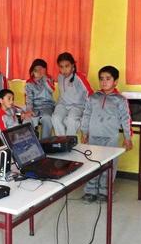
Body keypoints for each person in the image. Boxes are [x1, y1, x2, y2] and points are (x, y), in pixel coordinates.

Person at [80, 66, 133, 203]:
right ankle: (90, 191)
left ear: (115, 82)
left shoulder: (120, 99)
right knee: (92, 164)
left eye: (108, 79)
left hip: (110, 139)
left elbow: (126, 119)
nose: (104, 82)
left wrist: (128, 138)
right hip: (93, 137)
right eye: (101, 79)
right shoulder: (93, 97)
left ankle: (105, 191)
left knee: (109, 165)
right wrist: (84, 132)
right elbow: (86, 115)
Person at [52, 52, 93, 135]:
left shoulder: (79, 77)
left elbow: (90, 92)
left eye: (67, 66)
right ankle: (62, 142)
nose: (64, 70)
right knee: (55, 118)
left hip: (77, 106)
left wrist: (90, 109)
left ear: (73, 65)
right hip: (62, 105)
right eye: (61, 67)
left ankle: (69, 142)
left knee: (71, 120)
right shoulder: (60, 76)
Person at [24, 59, 56, 139]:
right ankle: (31, 143)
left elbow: (51, 89)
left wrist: (44, 79)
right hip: (34, 107)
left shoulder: (49, 79)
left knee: (47, 118)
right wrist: (29, 110)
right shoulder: (29, 83)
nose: (39, 71)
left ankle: (45, 142)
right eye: (36, 69)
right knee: (27, 120)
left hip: (47, 106)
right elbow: (29, 99)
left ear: (45, 70)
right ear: (32, 71)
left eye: (41, 69)